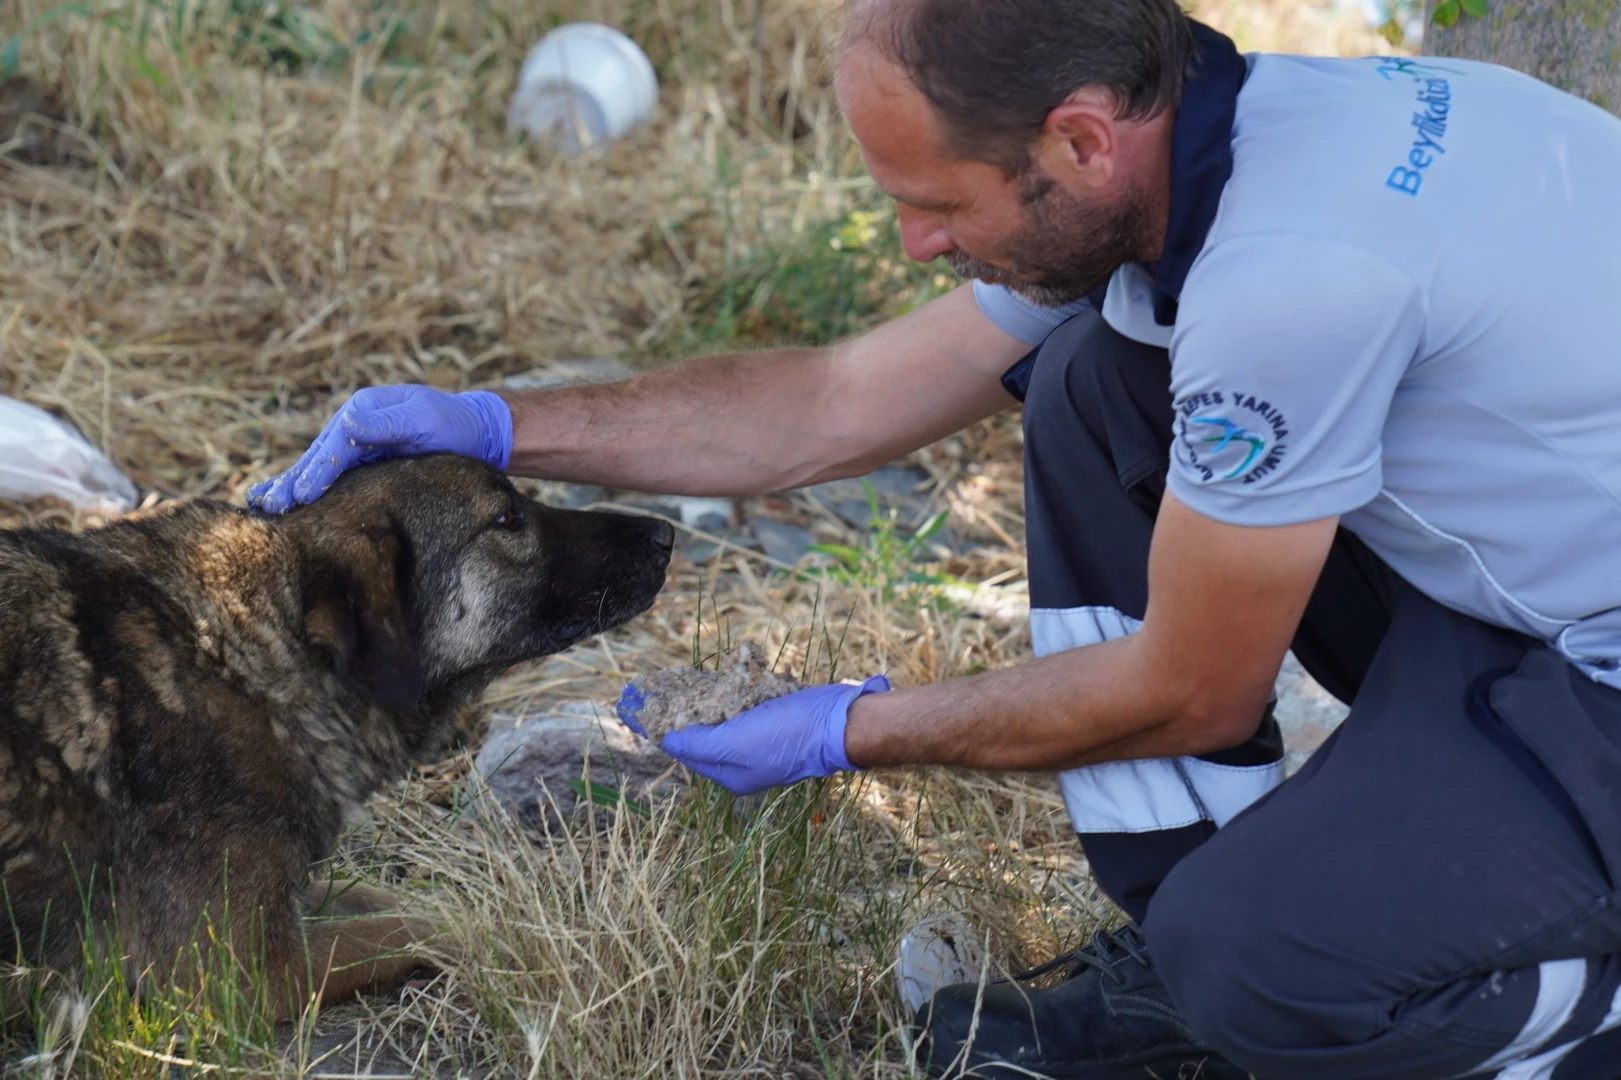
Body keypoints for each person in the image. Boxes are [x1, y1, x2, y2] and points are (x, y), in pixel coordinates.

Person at [250, 0, 1621, 1075]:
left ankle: (1443, 998)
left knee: (1259, 965)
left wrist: (850, 729)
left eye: (938, 203)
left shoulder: (1294, 279)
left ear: (1079, 139)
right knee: (1097, 381)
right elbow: (836, 403)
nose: (913, 243)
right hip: (1538, 582)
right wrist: (496, 423)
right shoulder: (1227, 130)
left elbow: (1194, 683)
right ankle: (1203, 926)